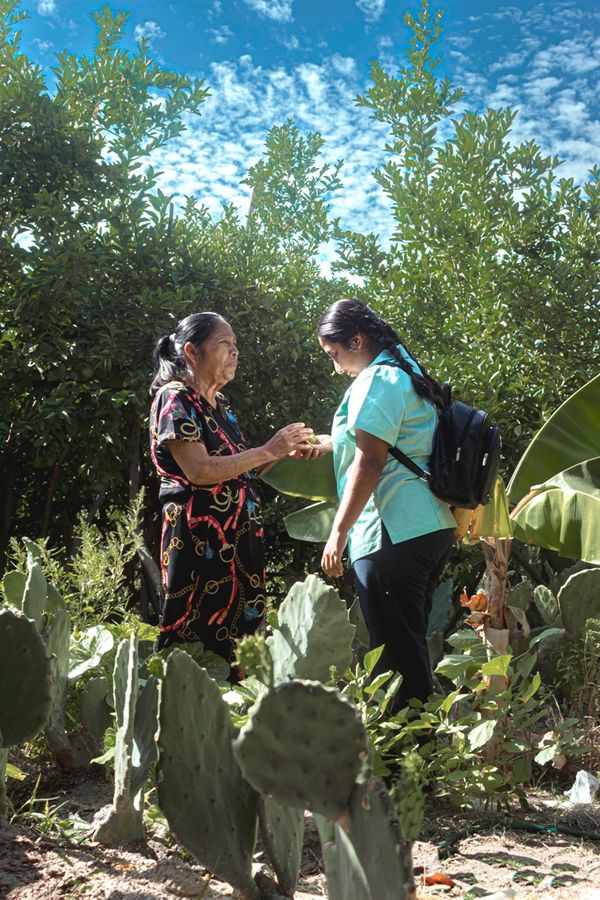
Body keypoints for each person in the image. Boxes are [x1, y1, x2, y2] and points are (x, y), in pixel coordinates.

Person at [149, 312, 315, 673]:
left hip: (239, 543)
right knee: (194, 635)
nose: (235, 352)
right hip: (198, 541)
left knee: (243, 639)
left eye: (236, 345)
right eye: (224, 343)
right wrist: (268, 449)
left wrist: (284, 452)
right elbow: (199, 470)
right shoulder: (175, 398)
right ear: (192, 351)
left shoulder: (220, 404)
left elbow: (240, 470)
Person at [314, 298, 456, 709]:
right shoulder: (407, 372)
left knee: (395, 660)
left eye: (335, 355)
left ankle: (410, 751)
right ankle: (420, 743)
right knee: (407, 647)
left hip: (390, 530)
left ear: (357, 341)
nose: (336, 367)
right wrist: (327, 444)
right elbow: (393, 441)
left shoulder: (377, 379)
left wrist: (338, 532)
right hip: (428, 526)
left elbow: (371, 459)